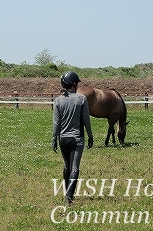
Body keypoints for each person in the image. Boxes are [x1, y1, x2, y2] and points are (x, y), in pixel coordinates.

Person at [51, 71, 94, 205]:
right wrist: (90, 135)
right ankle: (68, 198)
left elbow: (56, 123)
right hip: (77, 138)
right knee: (74, 168)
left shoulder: (58, 101)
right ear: (74, 84)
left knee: (66, 166)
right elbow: (86, 119)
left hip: (63, 138)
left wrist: (54, 138)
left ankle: (67, 193)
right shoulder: (82, 99)